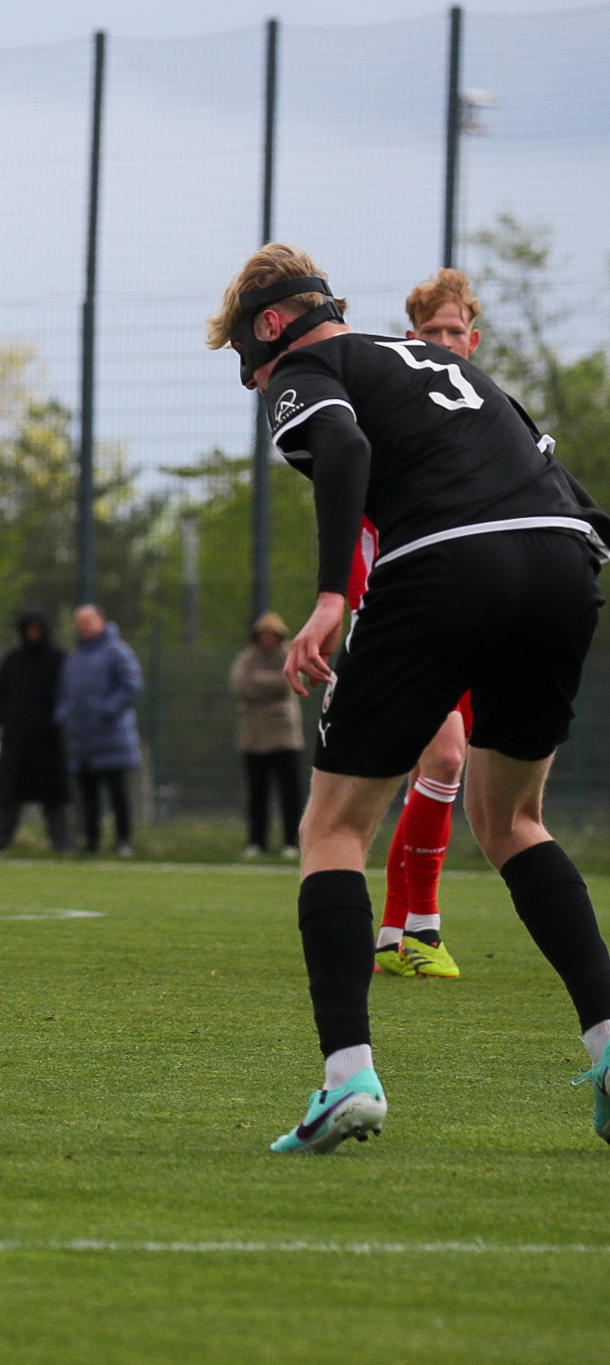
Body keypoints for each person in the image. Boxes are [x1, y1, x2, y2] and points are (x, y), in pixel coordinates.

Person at [208, 242, 610, 1152]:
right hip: (561, 558)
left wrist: (329, 599)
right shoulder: (449, 364)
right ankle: (609, 1043)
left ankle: (345, 1078)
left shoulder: (309, 364)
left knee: (333, 827)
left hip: (444, 564)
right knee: (512, 821)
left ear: (270, 326)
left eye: (249, 364)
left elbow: (342, 443)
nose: (258, 385)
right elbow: (562, 484)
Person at [365, 269, 492, 979]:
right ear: (409, 340)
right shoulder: (389, 418)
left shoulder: (489, 417)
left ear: (470, 341)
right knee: (442, 761)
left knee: (436, 772)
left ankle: (392, 933)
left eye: (454, 332)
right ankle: (423, 926)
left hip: (476, 613)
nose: (444, 343)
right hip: (407, 611)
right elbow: (360, 524)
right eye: (431, 333)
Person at [0, 607, 69, 859]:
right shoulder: (13, 660)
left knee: (53, 796)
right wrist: (4, 718)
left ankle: (61, 843)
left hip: (49, 742)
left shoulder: (58, 660)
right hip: (16, 741)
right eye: (28, 629)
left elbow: (68, 695)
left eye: (37, 629)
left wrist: (58, 722)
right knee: (9, 794)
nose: (32, 634)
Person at [55, 603, 141, 856]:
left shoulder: (117, 652)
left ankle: (123, 841)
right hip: (82, 740)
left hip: (111, 737)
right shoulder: (75, 658)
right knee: (87, 796)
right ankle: (91, 841)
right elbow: (63, 694)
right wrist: (64, 717)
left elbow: (131, 685)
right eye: (79, 622)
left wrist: (108, 710)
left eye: (88, 620)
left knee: (117, 793)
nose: (83, 626)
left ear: (101, 621)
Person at [230, 612, 304, 859]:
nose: (268, 639)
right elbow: (240, 684)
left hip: (284, 739)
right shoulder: (247, 658)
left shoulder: (288, 655)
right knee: (256, 794)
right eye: (263, 635)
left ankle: (291, 842)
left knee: (290, 793)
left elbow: (288, 683)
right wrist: (269, 685)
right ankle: (256, 841)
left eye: (272, 635)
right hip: (253, 738)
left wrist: (259, 684)